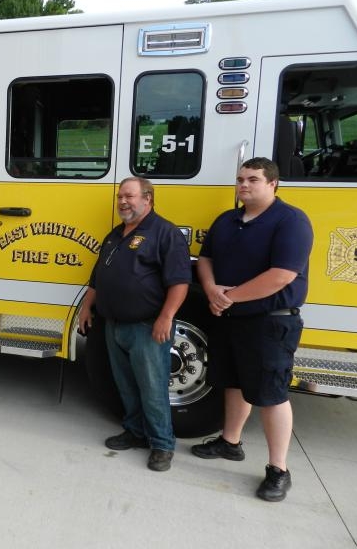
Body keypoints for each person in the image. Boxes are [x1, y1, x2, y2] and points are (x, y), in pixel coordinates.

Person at [192, 157, 313, 502]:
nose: (244, 185)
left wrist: (228, 297)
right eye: (241, 179)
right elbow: (205, 258)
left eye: (253, 180)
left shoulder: (290, 221)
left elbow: (282, 275)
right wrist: (213, 289)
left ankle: (279, 470)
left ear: (273, 184)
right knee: (232, 381)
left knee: (272, 393)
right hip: (230, 316)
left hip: (270, 319)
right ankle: (230, 442)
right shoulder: (228, 219)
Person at [79, 177, 190, 472]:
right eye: (120, 197)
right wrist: (86, 307)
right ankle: (136, 431)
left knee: (152, 389)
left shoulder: (165, 233)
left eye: (129, 196)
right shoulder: (116, 234)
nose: (123, 202)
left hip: (147, 326)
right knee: (126, 386)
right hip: (114, 324)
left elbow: (180, 282)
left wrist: (165, 318)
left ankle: (162, 444)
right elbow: (97, 277)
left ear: (148, 198)